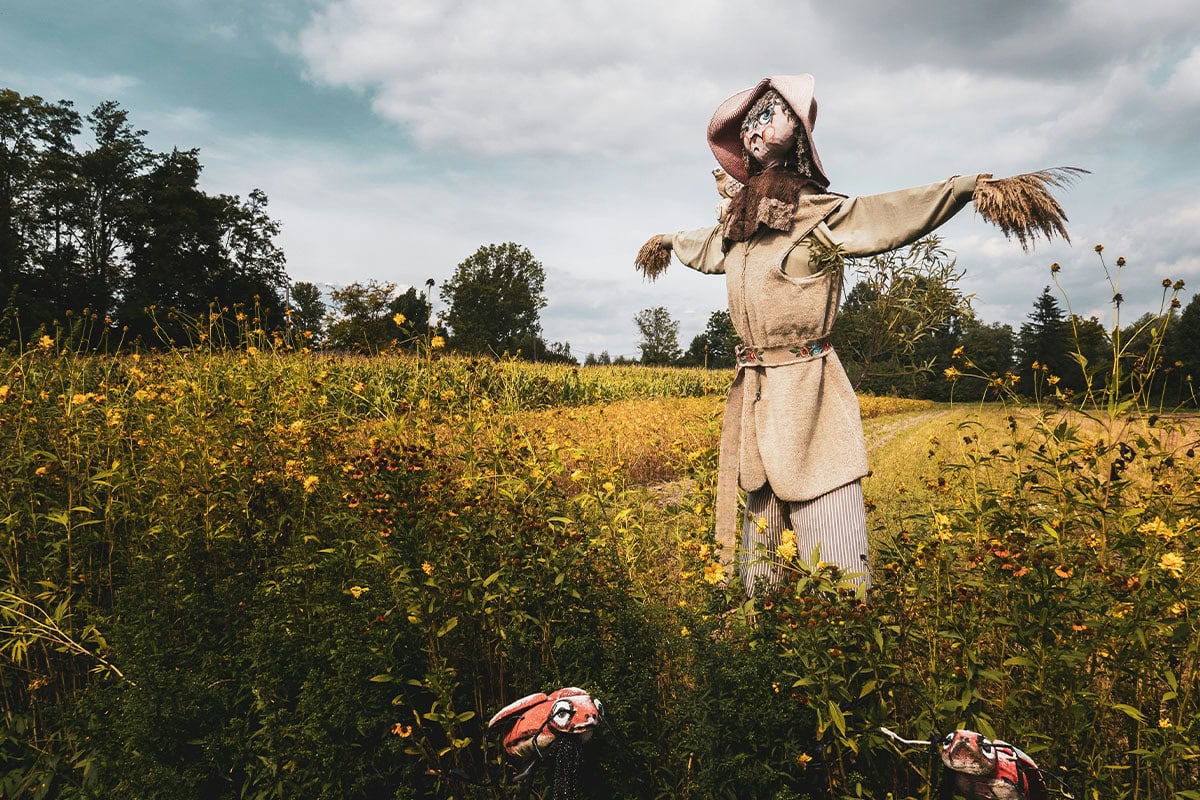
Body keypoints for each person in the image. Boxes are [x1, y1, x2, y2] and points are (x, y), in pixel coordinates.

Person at [635, 74, 1080, 596]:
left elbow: (891, 212)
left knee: (837, 561)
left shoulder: (824, 215)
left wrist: (964, 188)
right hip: (756, 399)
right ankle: (755, 654)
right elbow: (704, 245)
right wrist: (666, 239)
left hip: (810, 395)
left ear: (798, 131)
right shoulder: (740, 229)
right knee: (759, 569)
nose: (754, 128)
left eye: (768, 114)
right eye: (748, 121)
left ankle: (843, 644)